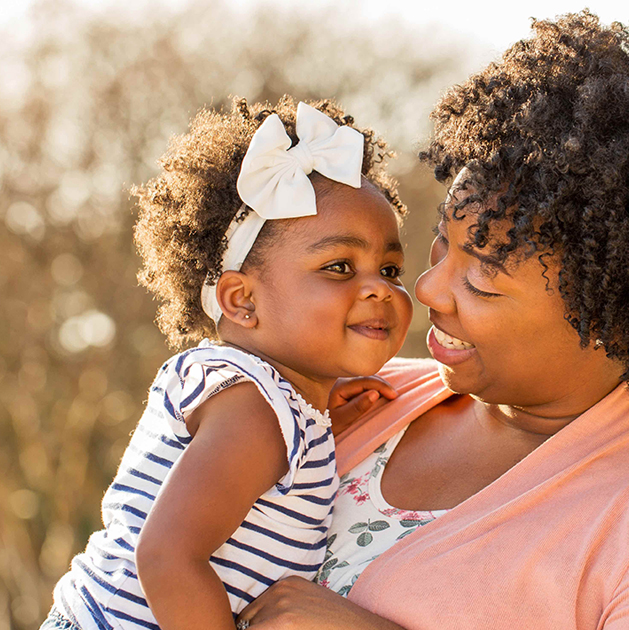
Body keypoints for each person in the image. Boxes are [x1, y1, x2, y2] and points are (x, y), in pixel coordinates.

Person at [234, 11, 629, 630]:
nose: (428, 289)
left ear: (607, 319)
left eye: (480, 278)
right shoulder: (354, 398)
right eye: (439, 244)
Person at [42, 97, 414, 630]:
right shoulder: (251, 409)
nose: (379, 288)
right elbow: (168, 555)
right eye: (339, 266)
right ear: (241, 301)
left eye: (391, 268)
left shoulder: (272, 406)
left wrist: (322, 423)